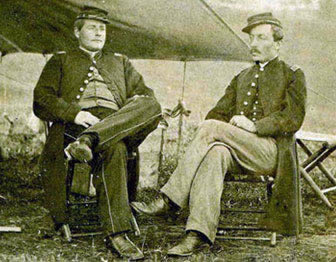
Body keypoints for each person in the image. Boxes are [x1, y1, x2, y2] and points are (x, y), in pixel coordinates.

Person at [131, 12, 306, 256]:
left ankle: (169, 200)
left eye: (261, 38)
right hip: (237, 152)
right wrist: (228, 129)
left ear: (277, 43)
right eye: (251, 38)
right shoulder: (241, 77)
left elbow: (293, 118)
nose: (253, 44)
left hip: (270, 153)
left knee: (211, 129)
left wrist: (255, 126)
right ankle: (197, 233)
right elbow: (217, 113)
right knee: (215, 152)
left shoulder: (292, 74)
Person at [33, 5, 161, 260]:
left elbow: (144, 96)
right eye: (92, 28)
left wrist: (126, 114)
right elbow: (41, 99)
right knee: (114, 147)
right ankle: (117, 234)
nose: (99, 33)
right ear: (77, 32)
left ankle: (91, 140)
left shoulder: (121, 62)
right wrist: (76, 114)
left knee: (152, 104)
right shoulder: (60, 60)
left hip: (116, 123)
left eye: (102, 28)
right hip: (75, 127)